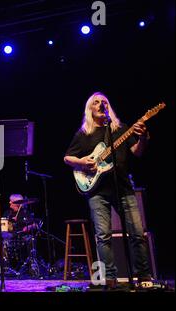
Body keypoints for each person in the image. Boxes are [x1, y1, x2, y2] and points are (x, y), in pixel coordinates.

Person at [63, 92, 152, 289]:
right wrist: (82, 162)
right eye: (96, 102)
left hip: (123, 187)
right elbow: (67, 158)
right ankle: (109, 279)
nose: (100, 104)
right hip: (97, 191)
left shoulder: (120, 129)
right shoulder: (84, 133)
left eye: (104, 101)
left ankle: (144, 276)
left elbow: (137, 152)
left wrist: (143, 136)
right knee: (103, 236)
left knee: (137, 233)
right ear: (90, 109)